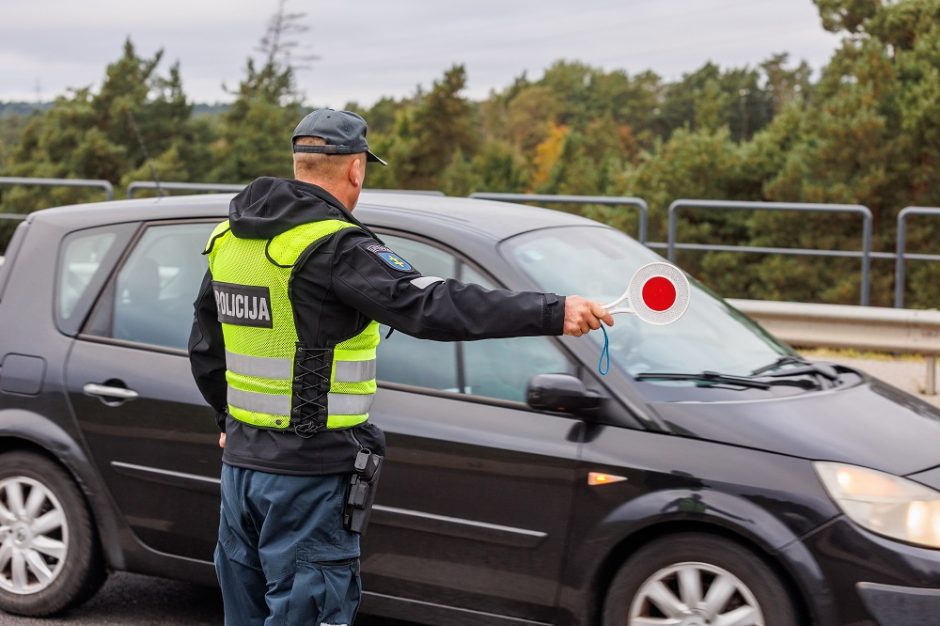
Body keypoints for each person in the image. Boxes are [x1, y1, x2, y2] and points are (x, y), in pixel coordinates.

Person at [188, 108, 613, 626]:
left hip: (242, 473)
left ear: (299, 163)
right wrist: (554, 310)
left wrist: (227, 423)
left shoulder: (230, 241)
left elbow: (206, 348)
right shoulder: (334, 245)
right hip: (308, 475)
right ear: (356, 169)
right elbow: (430, 306)